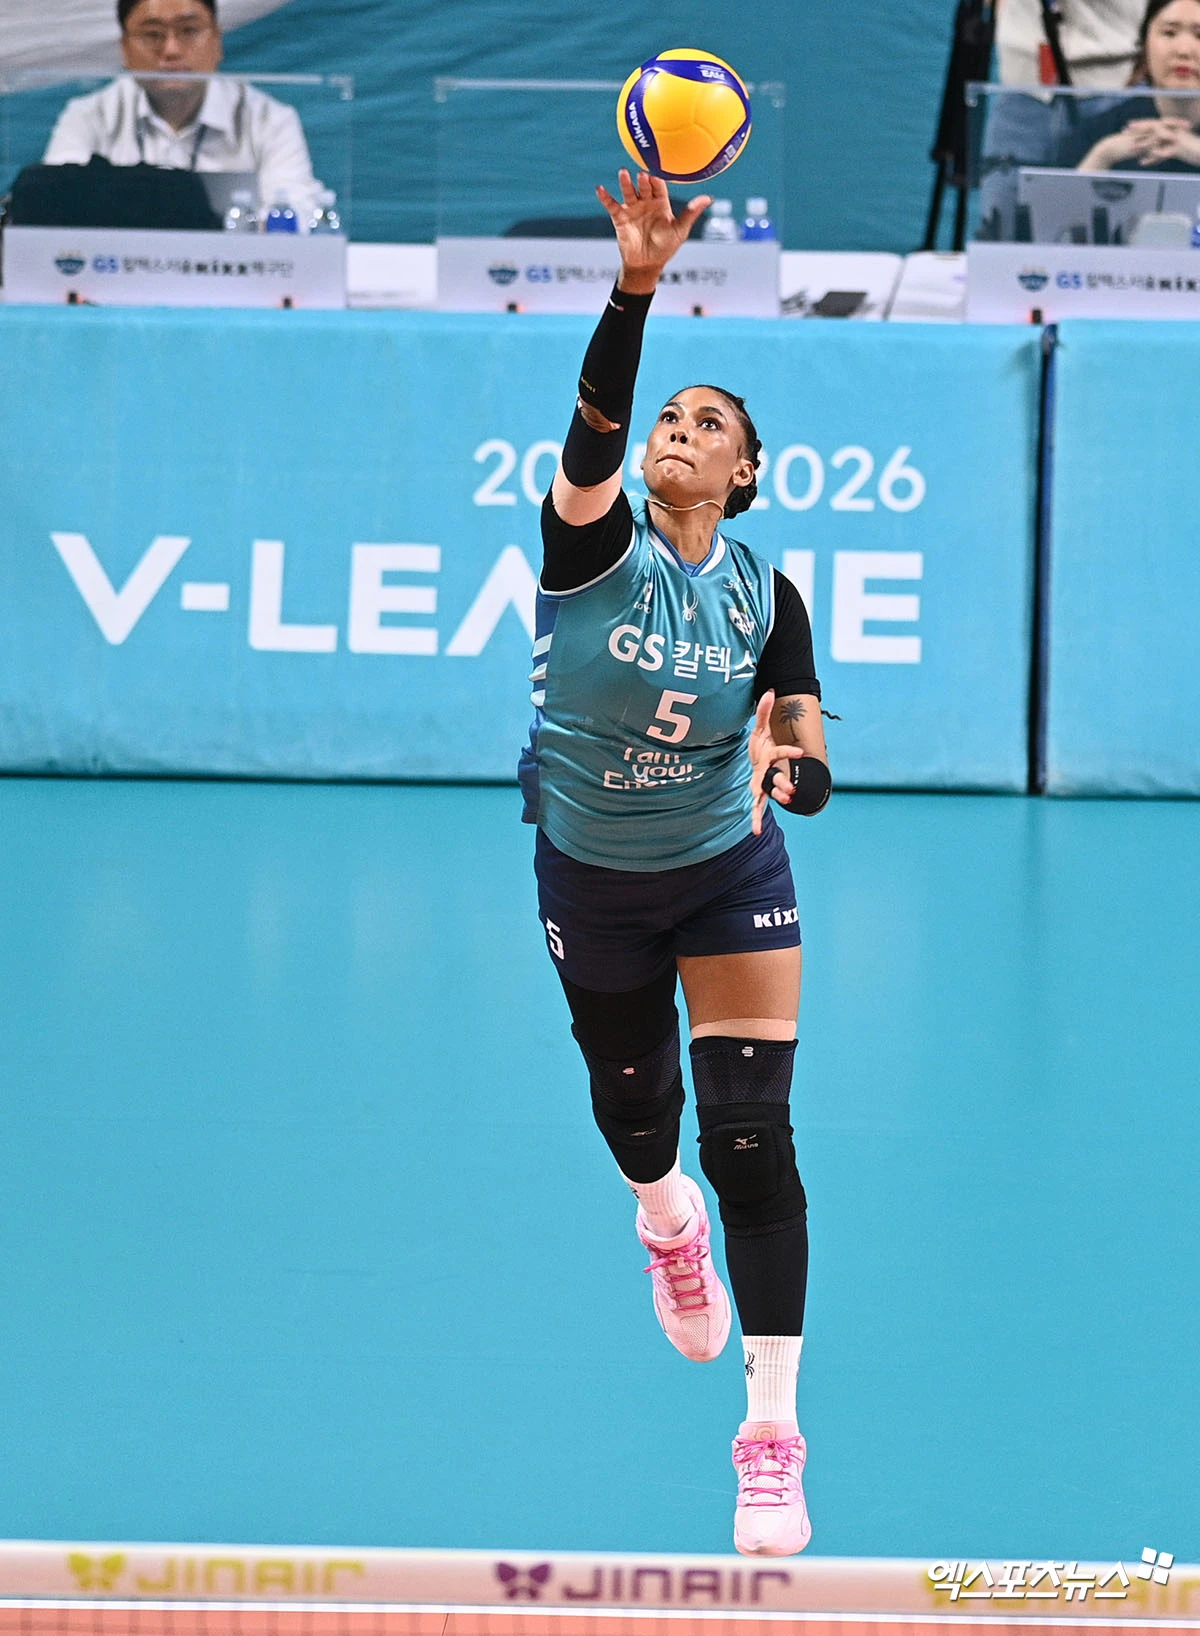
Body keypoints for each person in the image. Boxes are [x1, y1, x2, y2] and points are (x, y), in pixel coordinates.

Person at [519, 168, 831, 1558]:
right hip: (594, 874)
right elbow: (594, 420)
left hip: (725, 869)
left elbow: (799, 721)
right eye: (670, 418)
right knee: (639, 1117)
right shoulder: (592, 548)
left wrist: (796, 771)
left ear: (744, 474)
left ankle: (771, 1436)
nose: (677, 433)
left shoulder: (767, 589)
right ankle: (663, 1221)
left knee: (753, 1136)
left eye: (710, 426)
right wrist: (633, 285)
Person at [42, 0, 322, 223]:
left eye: (188, 31)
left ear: (217, 41)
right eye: (152, 35)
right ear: (125, 48)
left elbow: (296, 217)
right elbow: (53, 209)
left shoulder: (269, 121)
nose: (171, 50)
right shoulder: (89, 117)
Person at [1064, 0, 1200, 167]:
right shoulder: (1098, 131)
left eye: (1199, 35)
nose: (1183, 51)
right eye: (1169, 33)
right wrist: (1103, 155)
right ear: (1145, 44)